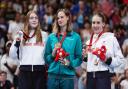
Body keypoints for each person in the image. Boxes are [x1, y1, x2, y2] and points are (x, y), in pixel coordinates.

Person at [82, 13, 125, 89]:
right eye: (93, 22)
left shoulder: (111, 38)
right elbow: (89, 63)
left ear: (103, 24)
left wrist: (107, 60)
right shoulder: (88, 42)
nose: (95, 25)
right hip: (90, 77)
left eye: (98, 23)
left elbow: (121, 60)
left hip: (103, 77)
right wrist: (85, 57)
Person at [44, 9, 82, 89]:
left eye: (62, 17)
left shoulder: (76, 37)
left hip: (67, 77)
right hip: (52, 76)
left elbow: (79, 58)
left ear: (68, 18)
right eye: (58, 18)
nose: (59, 20)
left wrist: (70, 63)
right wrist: (53, 54)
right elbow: (46, 59)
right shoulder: (51, 37)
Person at [9, 11, 48, 89]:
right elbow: (12, 55)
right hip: (24, 72)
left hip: (40, 72)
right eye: (31, 18)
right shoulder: (20, 34)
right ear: (27, 20)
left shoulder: (44, 35)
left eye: (36, 18)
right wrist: (16, 43)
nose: (34, 20)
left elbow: (47, 54)